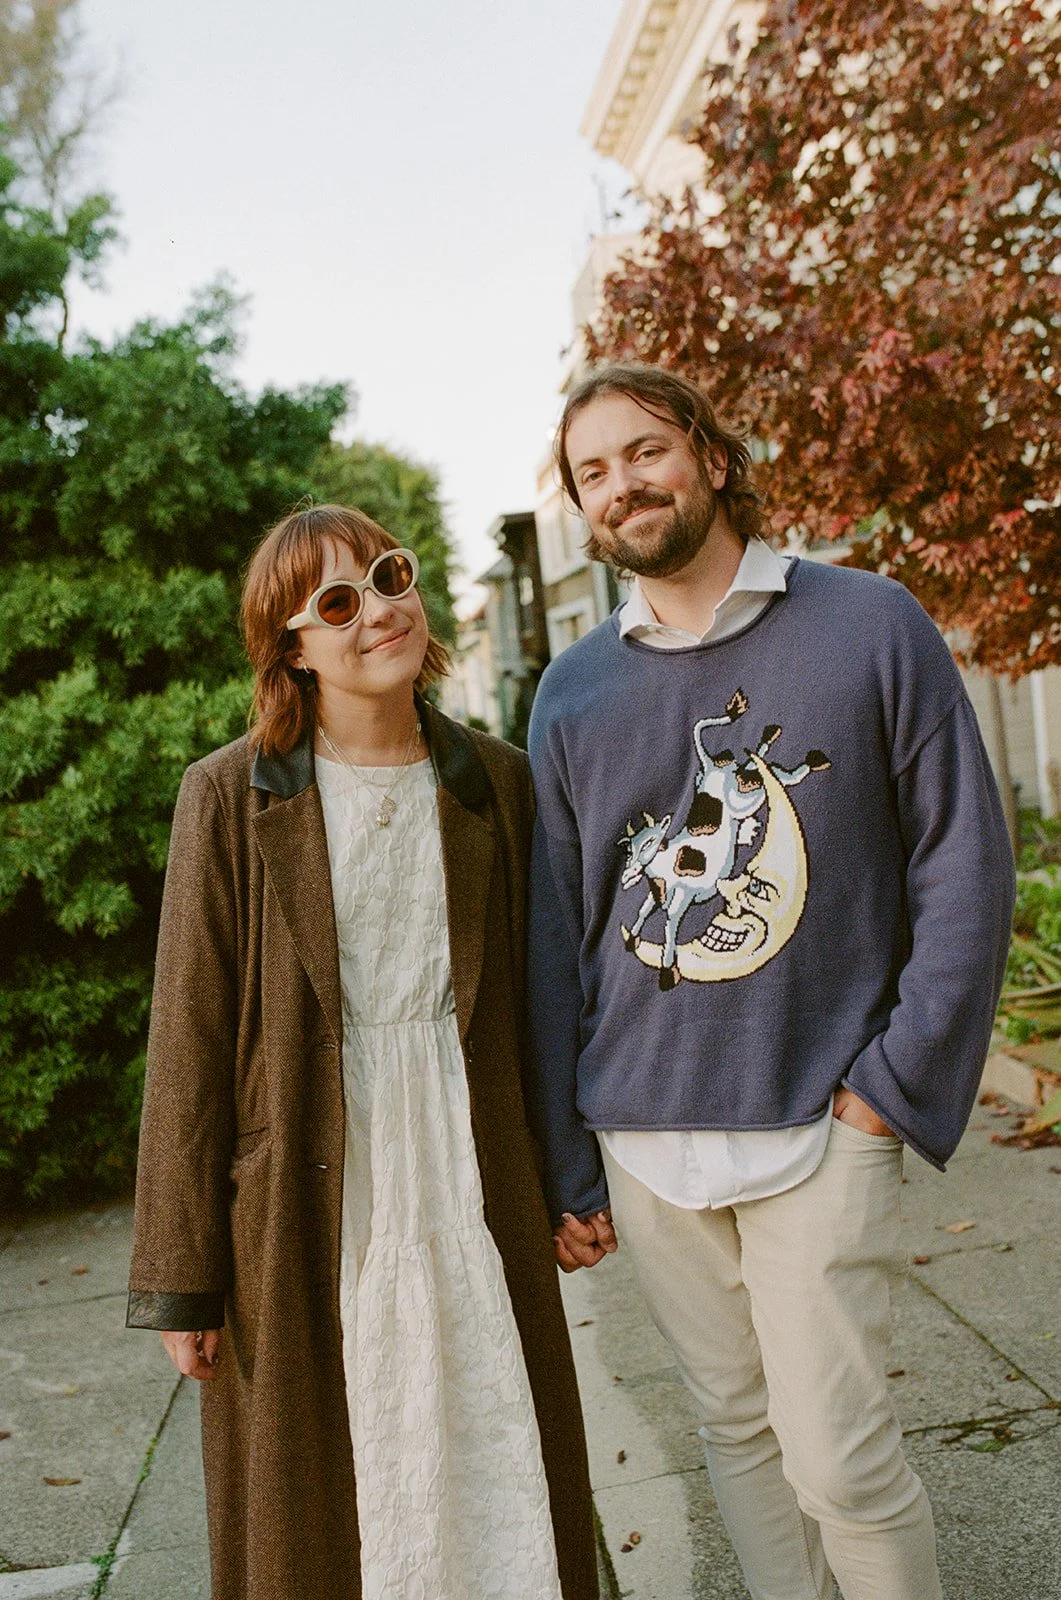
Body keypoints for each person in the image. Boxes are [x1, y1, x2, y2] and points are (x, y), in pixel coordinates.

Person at [525, 363, 1015, 1600]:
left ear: (709, 452)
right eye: (592, 471)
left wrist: (887, 1093)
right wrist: (570, 1158)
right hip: (643, 1136)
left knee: (840, 1461)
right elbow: (552, 932)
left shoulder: (868, 623)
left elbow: (962, 862)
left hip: (817, 1116)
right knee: (734, 1432)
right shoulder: (570, 691)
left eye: (645, 450)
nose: (623, 484)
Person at [127, 503, 598, 1600]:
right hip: (307, 1190)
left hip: (469, 1170)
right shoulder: (228, 796)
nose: (377, 611)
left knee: (493, 1433)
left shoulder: (496, 779)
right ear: (292, 647)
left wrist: (568, 1180)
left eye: (389, 576)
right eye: (336, 602)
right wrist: (181, 1278)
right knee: (330, 1482)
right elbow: (188, 1039)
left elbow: (542, 1000)